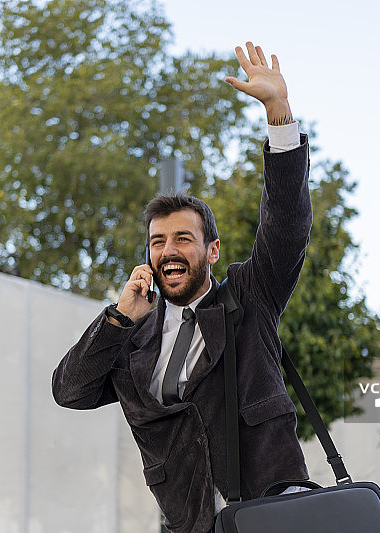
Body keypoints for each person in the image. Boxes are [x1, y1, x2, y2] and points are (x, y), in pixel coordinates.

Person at [52, 41, 312, 533]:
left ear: (211, 251)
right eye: (157, 242)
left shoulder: (247, 297)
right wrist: (119, 318)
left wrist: (279, 114)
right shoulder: (132, 339)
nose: (168, 250)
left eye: (183, 239)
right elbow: (70, 391)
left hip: (273, 517)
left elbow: (287, 224)